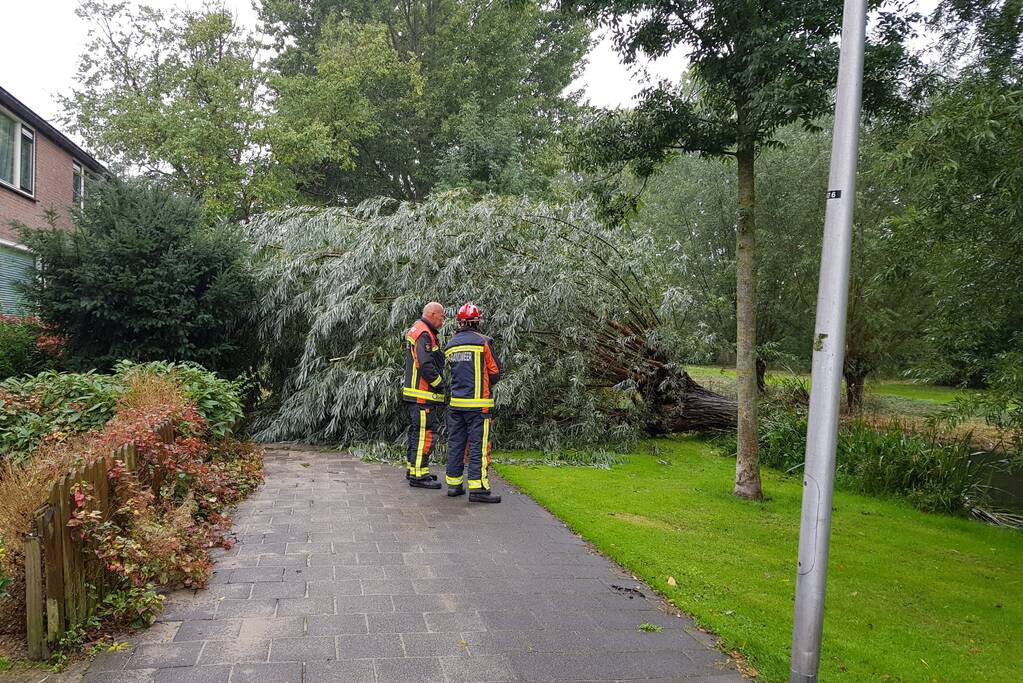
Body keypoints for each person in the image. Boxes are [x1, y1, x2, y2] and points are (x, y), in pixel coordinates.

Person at [444, 302, 502, 503]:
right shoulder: (483, 342)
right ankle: (478, 489)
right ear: (477, 321)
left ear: (459, 322)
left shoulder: (450, 344)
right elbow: (495, 371)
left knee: (456, 444)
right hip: (478, 405)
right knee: (478, 446)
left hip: (456, 404)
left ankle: (454, 485)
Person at [402, 301, 446, 489]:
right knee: (424, 434)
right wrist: (440, 385)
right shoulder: (424, 334)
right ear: (433, 314)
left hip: (416, 395)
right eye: (442, 316)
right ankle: (419, 475)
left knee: (416, 433)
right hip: (422, 395)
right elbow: (426, 364)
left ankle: (414, 469)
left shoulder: (418, 329)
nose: (443, 321)